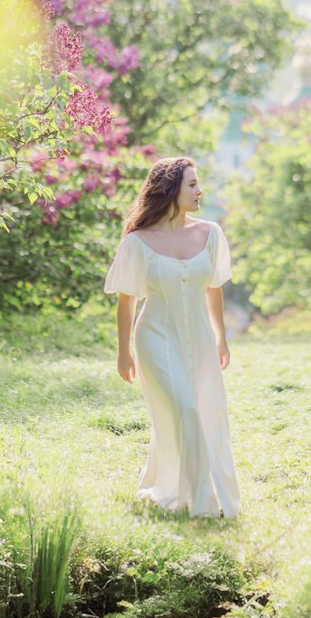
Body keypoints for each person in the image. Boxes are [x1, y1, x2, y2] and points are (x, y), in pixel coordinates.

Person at [103, 155, 240, 520]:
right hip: (155, 338)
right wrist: (123, 352)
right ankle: (202, 503)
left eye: (198, 183)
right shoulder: (138, 241)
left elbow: (214, 288)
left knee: (204, 410)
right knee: (185, 407)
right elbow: (126, 301)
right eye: (192, 184)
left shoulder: (210, 233)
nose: (200, 190)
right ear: (171, 190)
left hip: (198, 339)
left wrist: (221, 337)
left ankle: (176, 482)